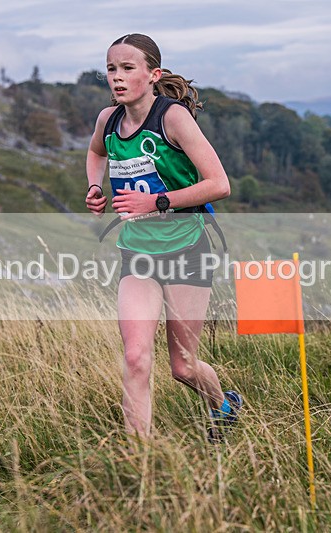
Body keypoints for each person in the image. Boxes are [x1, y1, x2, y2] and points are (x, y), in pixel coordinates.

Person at [84, 33, 242, 440]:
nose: (117, 78)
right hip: (136, 254)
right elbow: (97, 152)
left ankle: (223, 404)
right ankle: (142, 469)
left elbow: (219, 184)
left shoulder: (172, 118)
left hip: (187, 249)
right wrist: (95, 187)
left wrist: (156, 203)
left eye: (127, 68)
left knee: (183, 366)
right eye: (111, 69)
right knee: (136, 358)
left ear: (152, 75)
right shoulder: (109, 119)